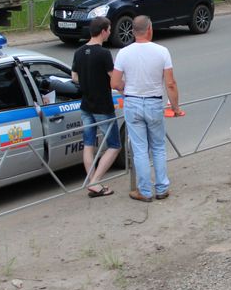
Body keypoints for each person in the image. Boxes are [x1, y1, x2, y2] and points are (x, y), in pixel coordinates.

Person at [110, 16, 184, 203]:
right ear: (149, 29)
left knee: (140, 149)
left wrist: (127, 88)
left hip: (133, 103)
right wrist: (175, 107)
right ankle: (162, 188)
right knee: (158, 147)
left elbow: (115, 83)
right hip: (154, 103)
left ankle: (144, 191)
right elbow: (171, 84)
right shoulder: (162, 52)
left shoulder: (123, 53)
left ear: (133, 31)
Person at [71, 16, 121, 198]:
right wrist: (124, 88)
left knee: (89, 145)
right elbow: (113, 80)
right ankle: (95, 182)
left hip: (86, 105)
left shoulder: (79, 51)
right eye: (109, 29)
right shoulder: (104, 54)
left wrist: (88, 80)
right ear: (103, 31)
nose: (110, 32)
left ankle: (93, 182)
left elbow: (74, 77)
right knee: (114, 145)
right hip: (103, 106)